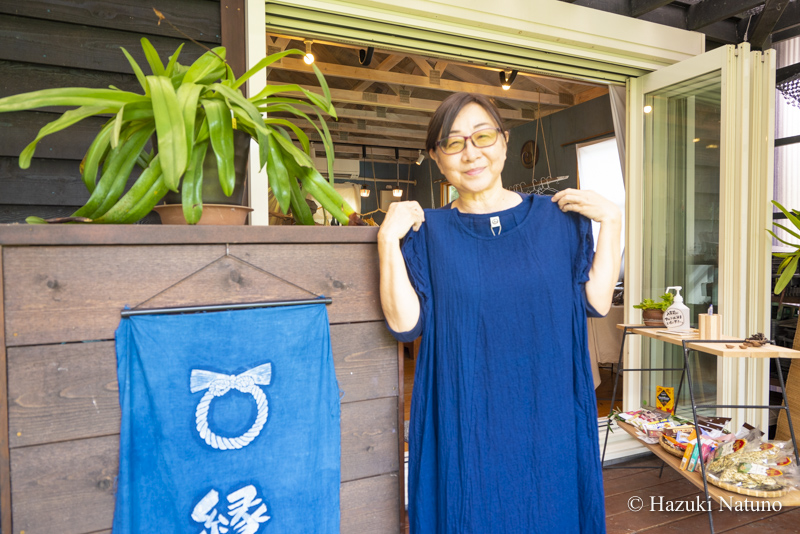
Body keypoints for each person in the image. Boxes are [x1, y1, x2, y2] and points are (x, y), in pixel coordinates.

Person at [378, 92, 621, 533]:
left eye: (483, 136)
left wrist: (613, 222)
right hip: (465, 422)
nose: (471, 153)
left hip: (547, 418)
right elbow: (404, 324)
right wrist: (386, 242)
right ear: (436, 157)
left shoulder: (557, 220)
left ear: (504, 142)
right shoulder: (428, 232)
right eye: (453, 143)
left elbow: (596, 301)